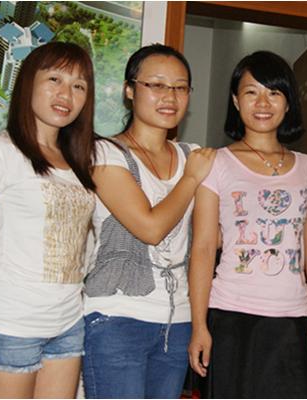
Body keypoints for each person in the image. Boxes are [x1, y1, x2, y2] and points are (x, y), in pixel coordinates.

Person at [0, 41, 97, 398]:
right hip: (8, 324)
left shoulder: (80, 161)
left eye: (78, 85)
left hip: (67, 324)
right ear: (28, 83)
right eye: (54, 79)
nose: (66, 94)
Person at [188, 51, 307, 398]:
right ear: (236, 101)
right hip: (231, 317)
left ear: (288, 102)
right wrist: (199, 325)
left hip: (294, 318)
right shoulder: (216, 163)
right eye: (251, 92)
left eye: (274, 92)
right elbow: (203, 247)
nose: (263, 102)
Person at [81, 44, 216, 399]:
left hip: (178, 322)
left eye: (180, 87)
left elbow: (209, 239)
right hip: (117, 317)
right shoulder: (104, 152)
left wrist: (199, 322)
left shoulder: (192, 154)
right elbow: (151, 228)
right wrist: (191, 178)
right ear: (130, 90)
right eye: (156, 85)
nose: (170, 96)